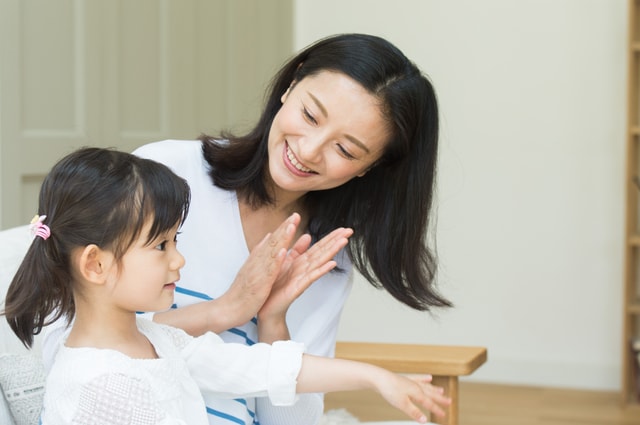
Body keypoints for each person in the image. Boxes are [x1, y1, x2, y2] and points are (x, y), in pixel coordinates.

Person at [128, 33, 453, 425]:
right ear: (292, 84)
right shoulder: (163, 173)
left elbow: (290, 422)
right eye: (310, 115)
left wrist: (273, 320)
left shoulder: (326, 259)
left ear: (370, 167)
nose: (309, 149)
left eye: (346, 150)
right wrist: (224, 311)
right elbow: (83, 339)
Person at [3, 147, 450, 425]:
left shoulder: (160, 341)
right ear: (95, 265)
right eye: (161, 245)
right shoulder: (101, 387)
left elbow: (261, 368)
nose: (179, 259)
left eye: (175, 239)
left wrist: (374, 378)